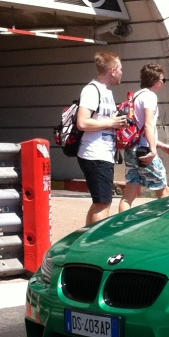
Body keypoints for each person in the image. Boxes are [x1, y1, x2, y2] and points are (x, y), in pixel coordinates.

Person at [119, 63, 169, 211]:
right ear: (155, 81)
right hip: (144, 151)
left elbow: (139, 130)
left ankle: (121, 226)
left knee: (129, 194)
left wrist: (162, 145)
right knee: (164, 192)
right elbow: (148, 125)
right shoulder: (150, 97)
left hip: (131, 150)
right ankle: (164, 227)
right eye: (162, 80)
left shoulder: (136, 96)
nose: (163, 83)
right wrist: (153, 150)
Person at [75, 51, 126, 226]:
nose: (121, 73)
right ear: (112, 71)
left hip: (103, 153)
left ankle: (84, 239)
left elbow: (101, 121)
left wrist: (116, 122)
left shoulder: (106, 92)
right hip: (95, 153)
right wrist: (111, 121)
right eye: (120, 69)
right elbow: (82, 122)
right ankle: (95, 244)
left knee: (100, 201)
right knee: (103, 203)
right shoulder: (92, 90)